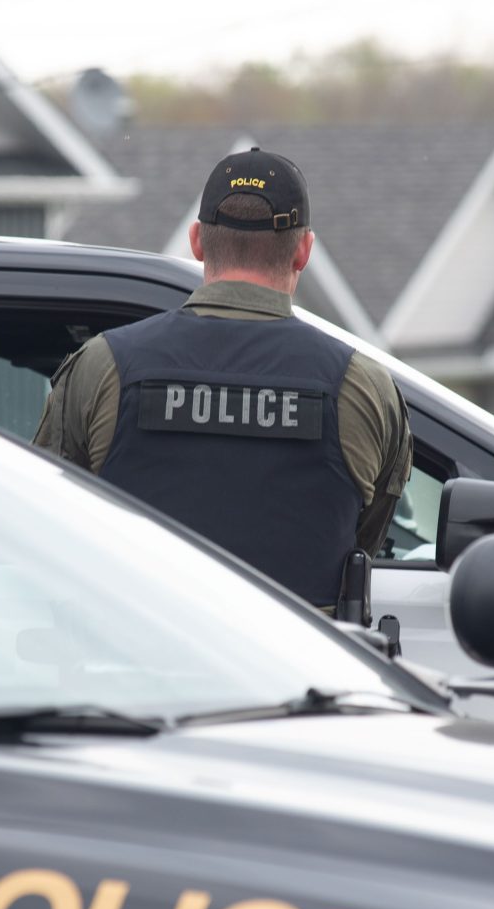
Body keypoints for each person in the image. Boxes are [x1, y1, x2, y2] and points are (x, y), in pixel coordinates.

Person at [34, 146, 412, 609]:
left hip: (131, 667)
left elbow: (44, 522)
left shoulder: (102, 366)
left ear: (196, 241)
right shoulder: (361, 388)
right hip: (299, 674)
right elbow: (363, 540)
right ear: (304, 250)